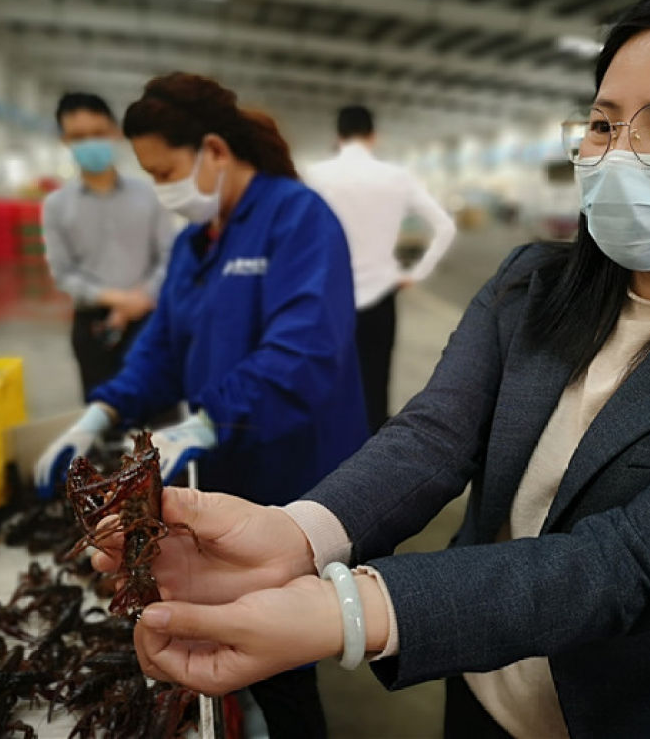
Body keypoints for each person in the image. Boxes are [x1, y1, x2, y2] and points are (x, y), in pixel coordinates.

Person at [92, 0, 650, 738]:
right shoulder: (530, 287)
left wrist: (347, 610)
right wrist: (297, 534)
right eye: (602, 124)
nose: (618, 154)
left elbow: (629, 568)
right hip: (481, 695)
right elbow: (433, 437)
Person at [35, 73, 369, 738]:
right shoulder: (194, 244)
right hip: (224, 468)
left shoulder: (298, 218)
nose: (163, 189)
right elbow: (161, 348)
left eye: (165, 173)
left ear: (214, 150)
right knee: (234, 629)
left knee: (282, 647)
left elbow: (303, 352)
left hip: (294, 467)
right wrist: (102, 411)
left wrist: (208, 420)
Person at [306, 105, 456, 433]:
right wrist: (415, 274)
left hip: (328, 298)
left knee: (327, 385)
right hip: (380, 298)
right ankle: (370, 456)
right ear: (373, 136)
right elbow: (444, 226)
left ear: (338, 136)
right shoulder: (396, 177)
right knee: (374, 388)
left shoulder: (314, 176)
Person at [43, 92, 175, 399]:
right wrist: (117, 299)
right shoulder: (56, 205)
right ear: (65, 141)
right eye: (79, 136)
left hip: (151, 320)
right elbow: (63, 272)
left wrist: (143, 297)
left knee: (160, 414)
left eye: (98, 133)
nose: (90, 142)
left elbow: (169, 255)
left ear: (115, 133)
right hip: (94, 327)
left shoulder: (150, 194)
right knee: (103, 412)